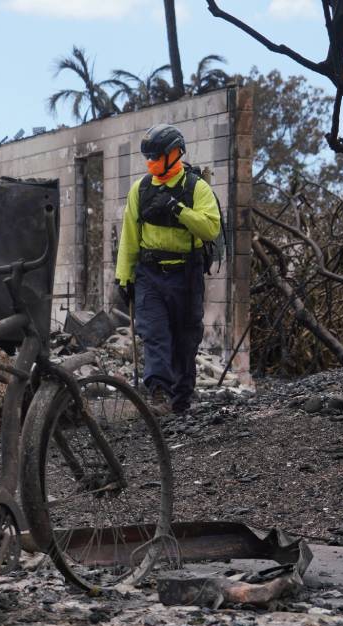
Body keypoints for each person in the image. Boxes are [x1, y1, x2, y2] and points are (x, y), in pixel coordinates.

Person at [114, 124, 221, 415]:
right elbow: (129, 236)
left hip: (187, 275)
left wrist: (177, 209)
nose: (152, 164)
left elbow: (211, 228)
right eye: (147, 159)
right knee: (155, 334)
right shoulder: (141, 189)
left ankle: (181, 400)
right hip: (150, 275)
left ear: (175, 153)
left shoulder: (196, 188)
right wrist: (123, 277)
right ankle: (159, 394)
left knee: (185, 338)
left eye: (157, 157)